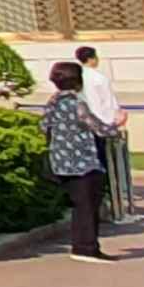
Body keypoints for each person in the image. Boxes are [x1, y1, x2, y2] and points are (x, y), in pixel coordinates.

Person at [44, 59, 124, 261]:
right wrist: (117, 123)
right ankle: (86, 247)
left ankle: (82, 245)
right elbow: (99, 128)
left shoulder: (53, 103)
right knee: (88, 205)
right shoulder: (77, 105)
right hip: (83, 162)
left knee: (79, 205)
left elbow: (43, 125)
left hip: (60, 160)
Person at [76, 45, 133, 222]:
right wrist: (115, 118)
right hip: (103, 125)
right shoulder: (99, 78)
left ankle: (103, 202)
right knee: (107, 164)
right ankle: (112, 203)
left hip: (86, 125)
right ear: (92, 58)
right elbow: (108, 103)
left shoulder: (78, 78)